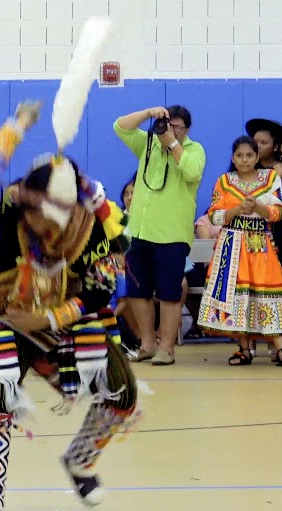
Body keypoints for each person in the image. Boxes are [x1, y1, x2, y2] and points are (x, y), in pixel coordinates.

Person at [0, 100, 140, 511]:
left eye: (60, 222)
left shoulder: (95, 225)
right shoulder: (0, 211)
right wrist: (19, 124)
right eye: (43, 220)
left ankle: (80, 460)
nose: (51, 232)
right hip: (5, 319)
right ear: (25, 206)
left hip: (67, 321)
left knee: (122, 394)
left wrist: (48, 321)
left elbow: (102, 290)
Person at [114, 105, 206, 366]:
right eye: (167, 125)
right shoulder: (148, 144)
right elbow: (120, 126)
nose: (170, 130)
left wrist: (173, 143)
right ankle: (147, 344)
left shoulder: (194, 150)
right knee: (136, 291)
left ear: (186, 130)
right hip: (140, 232)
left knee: (169, 293)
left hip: (172, 235)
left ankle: (167, 347)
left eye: (177, 127)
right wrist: (147, 114)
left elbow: (191, 171)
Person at [196, 136, 282, 365]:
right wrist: (237, 209)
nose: (244, 160)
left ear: (257, 157)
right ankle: (244, 349)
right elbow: (214, 215)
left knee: (267, 293)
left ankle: (280, 345)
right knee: (237, 295)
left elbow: (280, 211)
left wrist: (257, 206)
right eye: (239, 155)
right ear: (232, 158)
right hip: (231, 245)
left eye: (249, 155)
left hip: (261, 244)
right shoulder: (225, 181)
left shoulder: (270, 178)